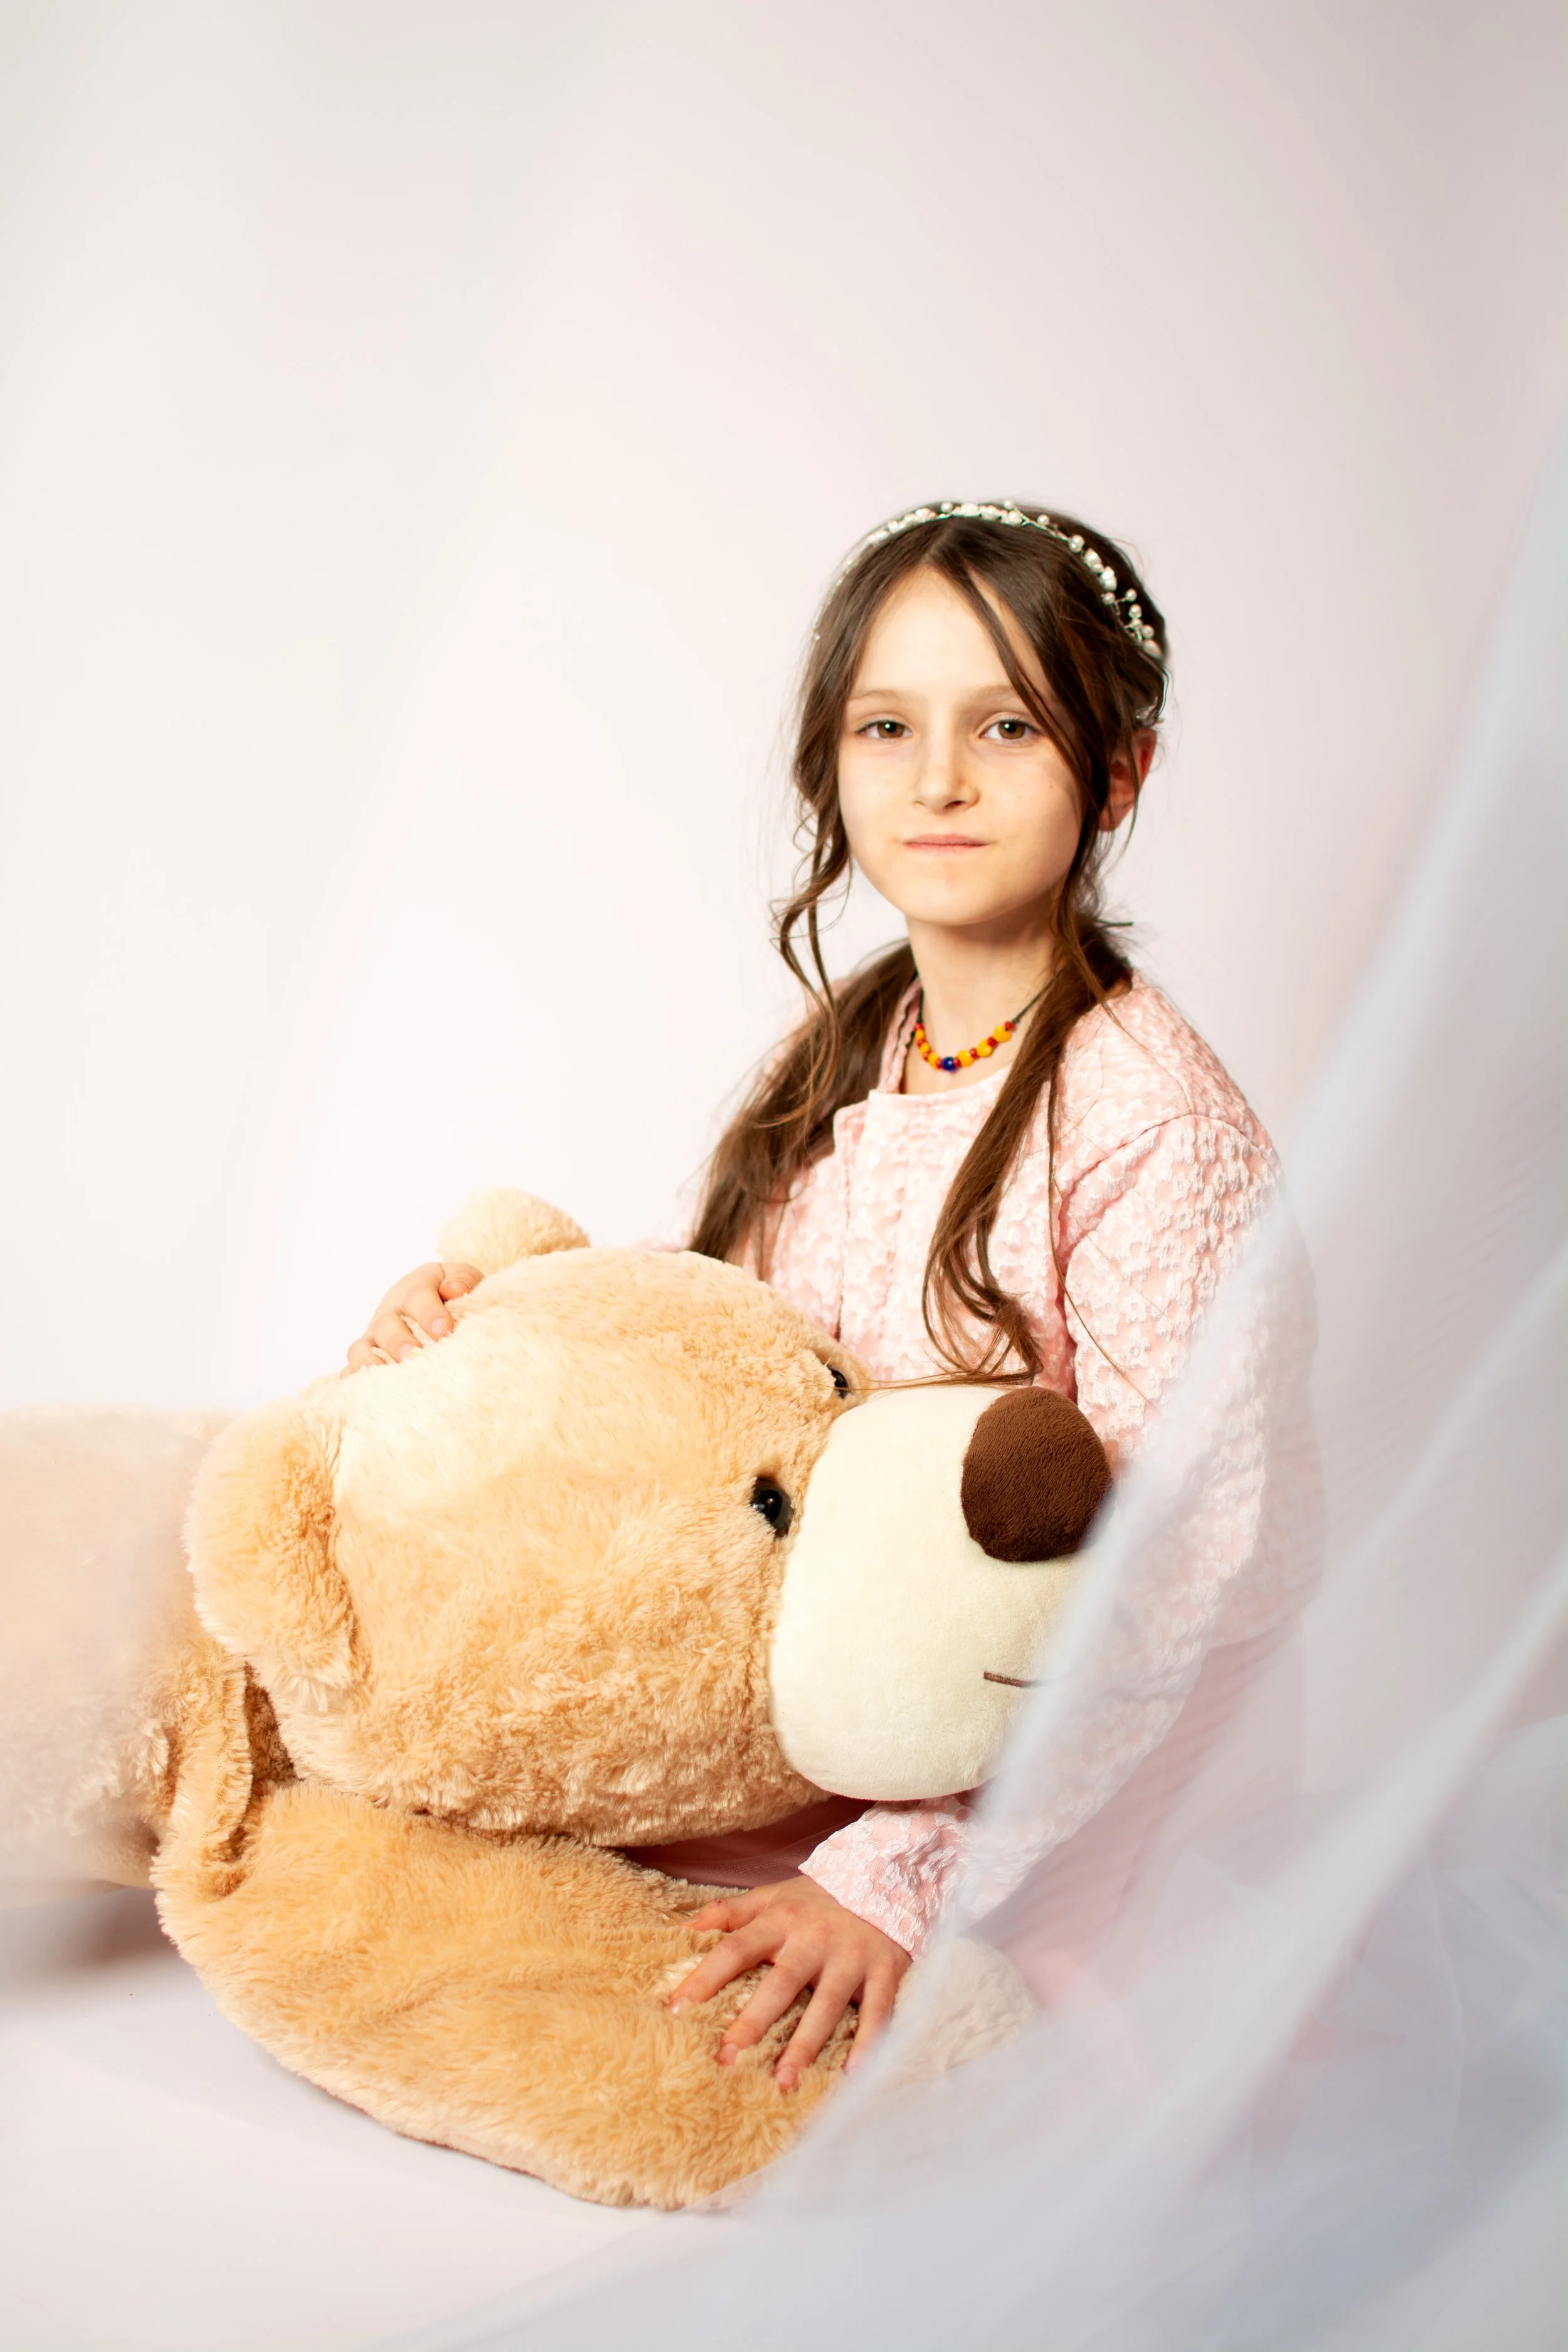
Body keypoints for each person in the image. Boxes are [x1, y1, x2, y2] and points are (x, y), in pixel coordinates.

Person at [346, 501, 1279, 2095]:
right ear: (828, 760)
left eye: (1005, 725)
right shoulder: (847, 1049)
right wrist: (492, 1319)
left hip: (1019, 1799)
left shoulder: (1148, 1121)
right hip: (812, 1720)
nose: (936, 780)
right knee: (417, 1806)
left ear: (1115, 773)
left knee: (706, 2061)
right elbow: (717, 1351)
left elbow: (1176, 1565)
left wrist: (904, 1875)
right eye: (886, 726)